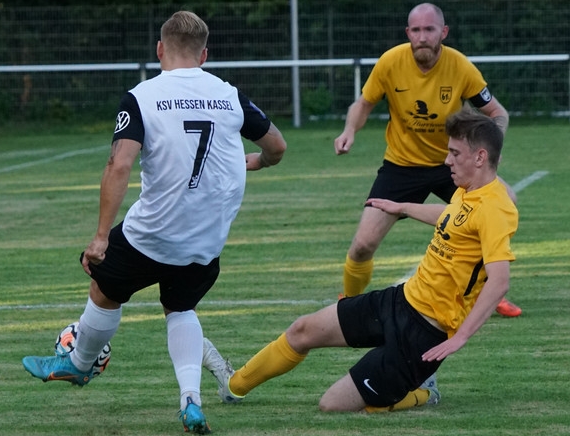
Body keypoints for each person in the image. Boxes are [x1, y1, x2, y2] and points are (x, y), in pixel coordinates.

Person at [21, 10, 287, 434]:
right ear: (204, 55)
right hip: (207, 239)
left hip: (153, 234)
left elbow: (119, 165)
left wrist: (100, 237)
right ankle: (191, 400)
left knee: (104, 287)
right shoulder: (230, 95)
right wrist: (258, 161)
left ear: (160, 49)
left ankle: (80, 363)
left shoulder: (142, 97)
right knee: (180, 308)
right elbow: (277, 146)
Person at [202, 107, 517, 412]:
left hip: (423, 333)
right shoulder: (467, 190)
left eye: (455, 153)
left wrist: (461, 337)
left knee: (332, 404)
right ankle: (234, 385)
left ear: (480, 157)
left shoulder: (494, 209)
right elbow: (453, 216)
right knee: (302, 330)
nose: (447, 160)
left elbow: (499, 281)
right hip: (400, 300)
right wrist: (403, 207)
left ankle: (423, 393)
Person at [333, 2, 521, 318]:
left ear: (443, 32)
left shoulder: (460, 67)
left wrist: (491, 147)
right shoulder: (390, 62)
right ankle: (349, 304)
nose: (422, 37)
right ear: (408, 33)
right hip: (401, 166)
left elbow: (497, 112)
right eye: (416, 30)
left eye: (429, 29)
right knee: (362, 245)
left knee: (506, 203)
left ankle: (487, 292)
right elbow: (363, 103)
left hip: (453, 165)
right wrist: (349, 130)